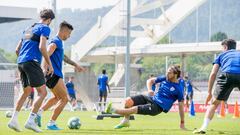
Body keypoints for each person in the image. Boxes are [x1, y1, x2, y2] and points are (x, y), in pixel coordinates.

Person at [8, 9, 55, 133]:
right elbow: (42, 46)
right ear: (49, 20)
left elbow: (17, 50)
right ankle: (31, 121)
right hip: (32, 62)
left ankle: (13, 120)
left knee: (26, 91)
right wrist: (49, 64)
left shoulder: (28, 28)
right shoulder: (45, 28)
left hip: (21, 62)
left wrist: (24, 60)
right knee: (42, 93)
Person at [35, 21, 85, 130]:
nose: (69, 36)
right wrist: (45, 67)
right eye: (69, 34)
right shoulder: (55, 41)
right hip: (54, 74)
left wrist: (76, 65)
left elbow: (64, 57)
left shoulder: (59, 43)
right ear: (64, 31)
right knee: (65, 99)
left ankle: (39, 113)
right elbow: (47, 52)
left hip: (53, 74)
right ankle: (51, 123)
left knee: (57, 97)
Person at [105, 65, 186, 129]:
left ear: (175, 75)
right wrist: (150, 90)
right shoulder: (165, 78)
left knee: (133, 109)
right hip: (152, 99)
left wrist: (182, 122)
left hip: (157, 107)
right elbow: (149, 81)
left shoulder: (178, 89)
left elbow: (181, 107)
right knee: (128, 101)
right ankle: (126, 121)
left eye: (169, 73)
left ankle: (112, 110)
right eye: (167, 72)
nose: (167, 74)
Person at [193, 39, 240, 134]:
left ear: (225, 47)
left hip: (227, 75)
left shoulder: (221, 55)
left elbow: (213, 74)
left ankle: (203, 128)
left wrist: (209, 92)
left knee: (214, 104)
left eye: (222, 48)